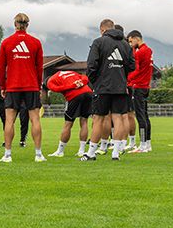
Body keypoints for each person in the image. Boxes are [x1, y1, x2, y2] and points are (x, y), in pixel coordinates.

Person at [82, 19, 134, 161]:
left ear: (102, 29)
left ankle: (91, 153)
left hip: (103, 87)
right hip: (120, 87)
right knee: (118, 119)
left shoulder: (99, 42)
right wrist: (121, 74)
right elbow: (132, 66)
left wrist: (95, 81)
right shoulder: (125, 44)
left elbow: (91, 65)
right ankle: (116, 153)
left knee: (98, 119)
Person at [0, 12, 44, 163]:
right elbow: (39, 67)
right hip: (31, 86)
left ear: (15, 24)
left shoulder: (6, 42)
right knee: (35, 119)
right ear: (27, 25)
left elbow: (2, 67)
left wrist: (2, 86)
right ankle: (38, 154)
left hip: (12, 86)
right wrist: (38, 86)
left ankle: (7, 154)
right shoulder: (35, 42)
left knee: (9, 120)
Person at [45, 70, 92, 157]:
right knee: (84, 121)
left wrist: (72, 86)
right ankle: (81, 151)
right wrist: (80, 83)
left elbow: (57, 89)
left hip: (74, 96)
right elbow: (85, 78)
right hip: (88, 92)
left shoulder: (50, 81)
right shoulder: (71, 72)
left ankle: (60, 151)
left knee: (68, 123)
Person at [126, 30, 153, 153]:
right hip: (146, 86)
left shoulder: (140, 52)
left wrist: (127, 79)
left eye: (131, 41)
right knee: (145, 116)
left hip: (138, 87)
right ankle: (147, 144)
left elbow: (136, 70)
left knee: (140, 116)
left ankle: (142, 146)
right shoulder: (148, 50)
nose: (130, 44)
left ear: (136, 38)